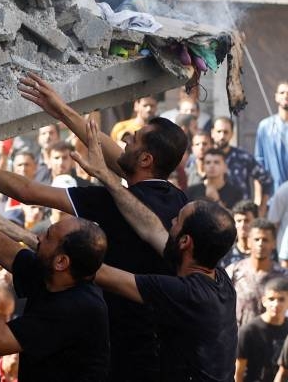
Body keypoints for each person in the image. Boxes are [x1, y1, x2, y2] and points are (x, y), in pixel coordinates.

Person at [0, 73, 188, 382]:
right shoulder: (174, 198)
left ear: (146, 159)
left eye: (133, 139)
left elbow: (28, 192)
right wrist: (61, 109)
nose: (124, 138)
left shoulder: (117, 201)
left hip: (124, 342)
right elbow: (118, 158)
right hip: (153, 340)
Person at [73, 118, 238, 382]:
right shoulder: (220, 281)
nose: (170, 220)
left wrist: (41, 243)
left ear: (185, 243)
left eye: (177, 221)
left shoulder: (182, 293)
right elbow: (150, 227)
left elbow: (103, 274)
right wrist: (106, 176)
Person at [0, 173, 110, 381]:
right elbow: (12, 254)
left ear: (61, 262)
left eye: (48, 236)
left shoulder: (79, 307)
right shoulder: (54, 274)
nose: (38, 237)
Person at [228, 220, 288, 328]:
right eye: (257, 239)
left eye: (265, 240)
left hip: (273, 340)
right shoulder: (234, 271)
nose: (260, 244)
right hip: (237, 339)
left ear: (274, 243)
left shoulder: (283, 276)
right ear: (249, 241)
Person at [213, 116, 273, 211]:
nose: (222, 136)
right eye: (219, 131)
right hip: (212, 215)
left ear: (232, 134)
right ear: (212, 132)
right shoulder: (205, 157)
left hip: (241, 216)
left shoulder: (242, 157)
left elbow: (266, 180)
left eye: (226, 132)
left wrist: (261, 208)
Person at [237, 276, 288, 382]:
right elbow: (238, 372)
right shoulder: (248, 331)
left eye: (281, 299)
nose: (276, 304)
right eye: (271, 299)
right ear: (264, 301)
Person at [257, 82, 288, 191]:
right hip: (273, 193)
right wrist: (258, 197)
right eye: (282, 92)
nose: (286, 95)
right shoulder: (265, 126)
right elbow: (259, 162)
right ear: (276, 97)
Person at [224, 199, 262, 268]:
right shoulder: (225, 253)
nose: (242, 225)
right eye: (239, 221)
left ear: (256, 222)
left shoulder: (264, 251)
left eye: (247, 221)